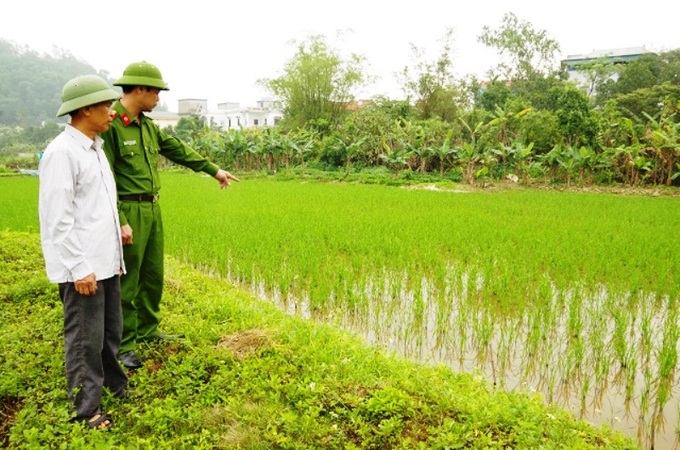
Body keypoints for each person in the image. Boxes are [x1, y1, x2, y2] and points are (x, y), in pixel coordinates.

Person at [101, 61, 240, 369]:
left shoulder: (147, 127)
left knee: (152, 274)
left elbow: (178, 150)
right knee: (129, 279)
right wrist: (120, 218)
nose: (159, 99)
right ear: (139, 90)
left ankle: (148, 331)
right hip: (129, 209)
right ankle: (124, 344)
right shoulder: (111, 125)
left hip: (152, 207)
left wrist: (213, 170)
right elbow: (105, 176)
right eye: (156, 92)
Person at [38, 75, 127, 429]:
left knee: (109, 332)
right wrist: (78, 267)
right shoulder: (62, 153)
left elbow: (95, 202)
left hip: (105, 259)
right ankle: (86, 409)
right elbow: (58, 218)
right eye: (106, 105)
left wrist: (119, 227)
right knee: (84, 340)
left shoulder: (95, 147)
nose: (112, 111)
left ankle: (114, 386)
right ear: (86, 109)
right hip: (84, 266)